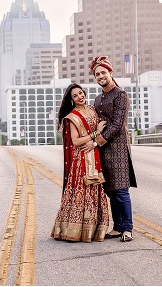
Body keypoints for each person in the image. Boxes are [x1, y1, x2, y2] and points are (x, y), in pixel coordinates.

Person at [51, 83, 110, 242]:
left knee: (94, 190)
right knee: (82, 191)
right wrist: (96, 133)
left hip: (95, 154)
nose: (80, 97)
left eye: (80, 93)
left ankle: (93, 230)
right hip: (82, 158)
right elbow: (76, 141)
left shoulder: (91, 109)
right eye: (75, 96)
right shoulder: (72, 117)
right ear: (71, 100)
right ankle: (75, 231)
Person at [89, 56, 138, 242]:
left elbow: (118, 124)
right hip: (102, 151)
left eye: (103, 72)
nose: (100, 76)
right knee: (110, 189)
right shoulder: (98, 98)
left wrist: (98, 141)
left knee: (121, 190)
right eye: (97, 74)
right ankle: (117, 227)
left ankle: (127, 228)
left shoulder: (120, 95)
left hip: (117, 148)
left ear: (110, 73)